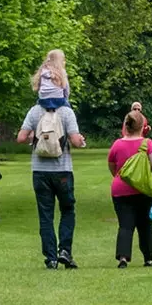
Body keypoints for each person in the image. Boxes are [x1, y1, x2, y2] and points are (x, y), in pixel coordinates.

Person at [16, 100, 88, 268]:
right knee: (68, 210)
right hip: (62, 170)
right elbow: (76, 141)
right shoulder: (66, 112)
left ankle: (51, 259)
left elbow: (20, 138)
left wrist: (34, 135)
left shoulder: (34, 111)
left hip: (40, 171)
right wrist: (81, 140)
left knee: (45, 215)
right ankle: (64, 251)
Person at [108, 110, 152, 267]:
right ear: (143, 126)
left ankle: (123, 257)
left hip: (121, 190)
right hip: (144, 190)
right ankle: (148, 258)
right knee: (145, 225)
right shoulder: (147, 144)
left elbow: (112, 167)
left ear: (126, 126)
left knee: (125, 225)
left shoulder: (117, 144)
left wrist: (122, 177)